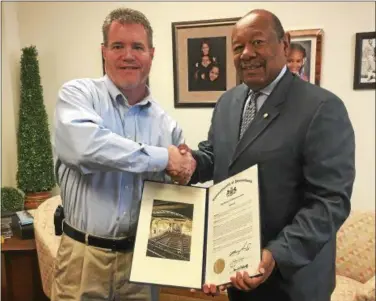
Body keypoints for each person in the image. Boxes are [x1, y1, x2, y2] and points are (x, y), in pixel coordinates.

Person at [176, 8, 355, 301]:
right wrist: (190, 163)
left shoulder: (321, 108)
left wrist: (275, 254)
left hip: (293, 282)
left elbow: (330, 202)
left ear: (284, 45)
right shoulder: (228, 102)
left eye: (257, 42)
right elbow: (218, 154)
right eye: (237, 47)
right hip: (237, 275)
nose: (246, 53)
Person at [51, 7, 195, 301]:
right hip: (82, 260)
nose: (127, 55)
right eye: (118, 46)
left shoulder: (167, 127)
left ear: (151, 54)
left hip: (142, 264)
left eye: (137, 47)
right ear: (104, 51)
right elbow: (85, 148)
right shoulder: (78, 95)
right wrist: (163, 158)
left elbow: (175, 200)